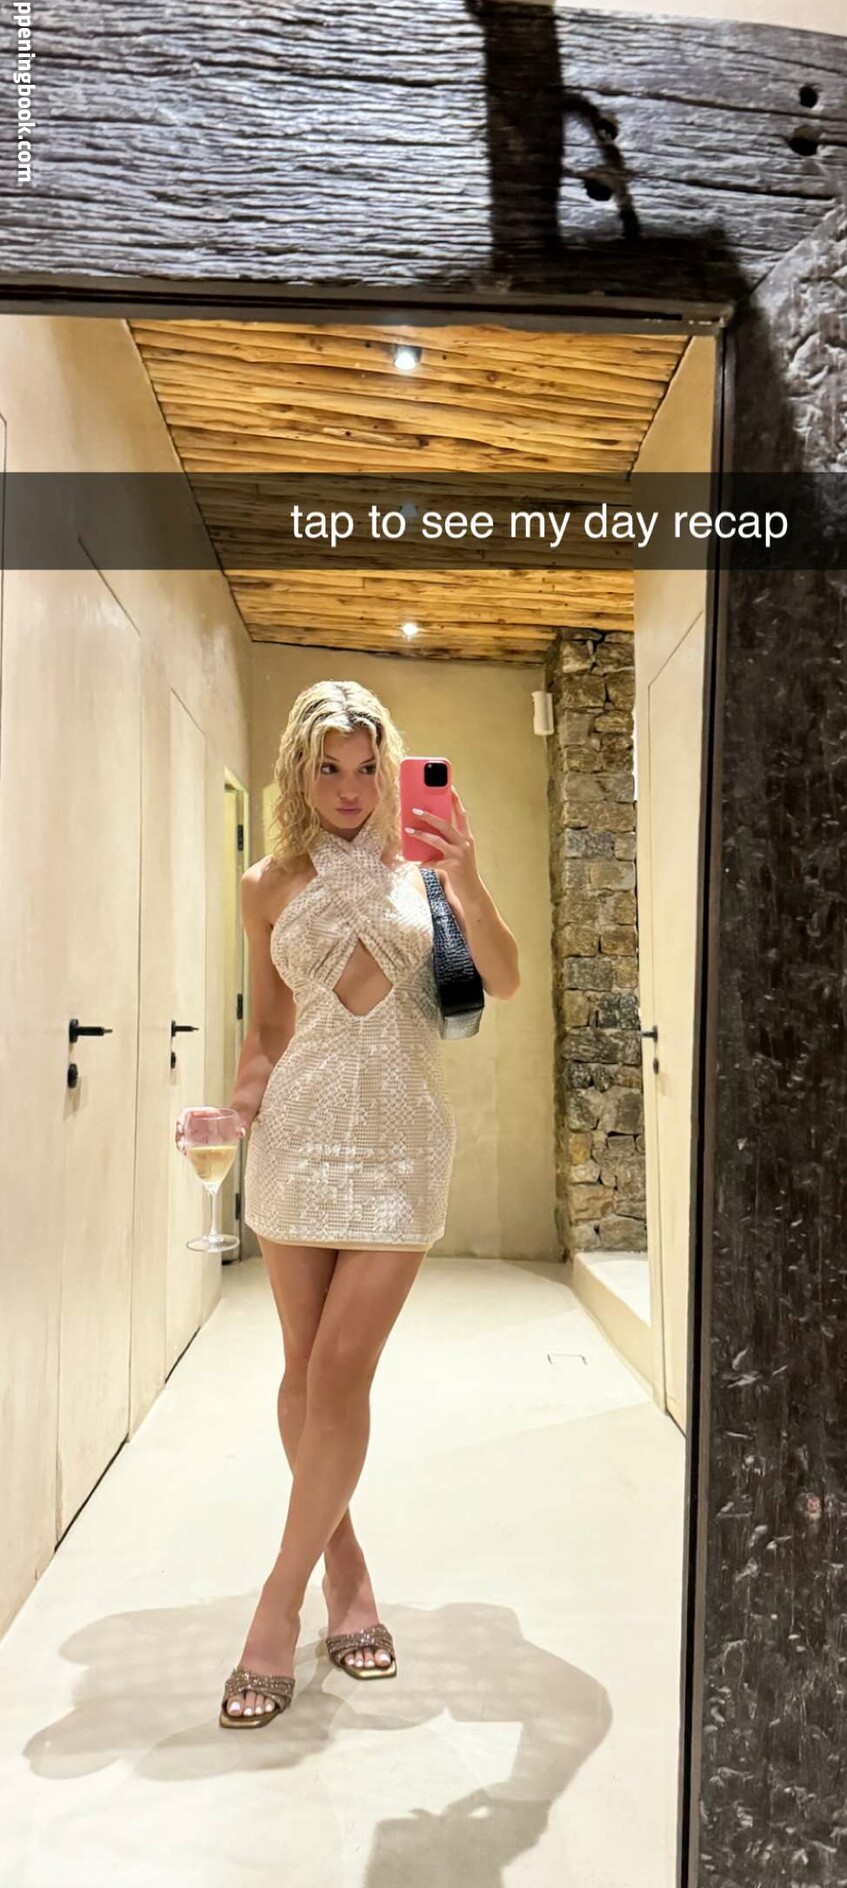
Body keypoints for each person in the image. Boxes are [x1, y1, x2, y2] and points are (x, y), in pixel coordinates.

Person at [175, 679, 520, 1728]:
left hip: (402, 1144)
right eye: (329, 767)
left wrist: (467, 880)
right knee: (302, 1372)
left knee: (339, 1372)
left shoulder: (426, 871)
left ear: (390, 768)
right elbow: (269, 1031)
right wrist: (237, 1113)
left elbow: (504, 981)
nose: (350, 787)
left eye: (368, 767)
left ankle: (276, 1605)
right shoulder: (266, 884)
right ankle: (348, 1573)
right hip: (296, 1141)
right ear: (299, 769)